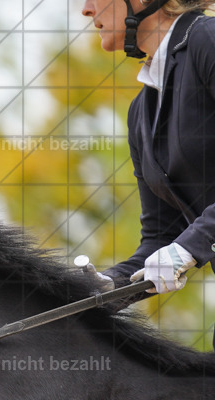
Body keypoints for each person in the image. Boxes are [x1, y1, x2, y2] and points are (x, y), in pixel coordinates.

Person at [80, 1, 215, 294]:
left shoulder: (209, 38)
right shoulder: (140, 111)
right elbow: (162, 237)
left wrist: (191, 246)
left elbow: (182, 246)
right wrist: (106, 286)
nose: (87, 9)